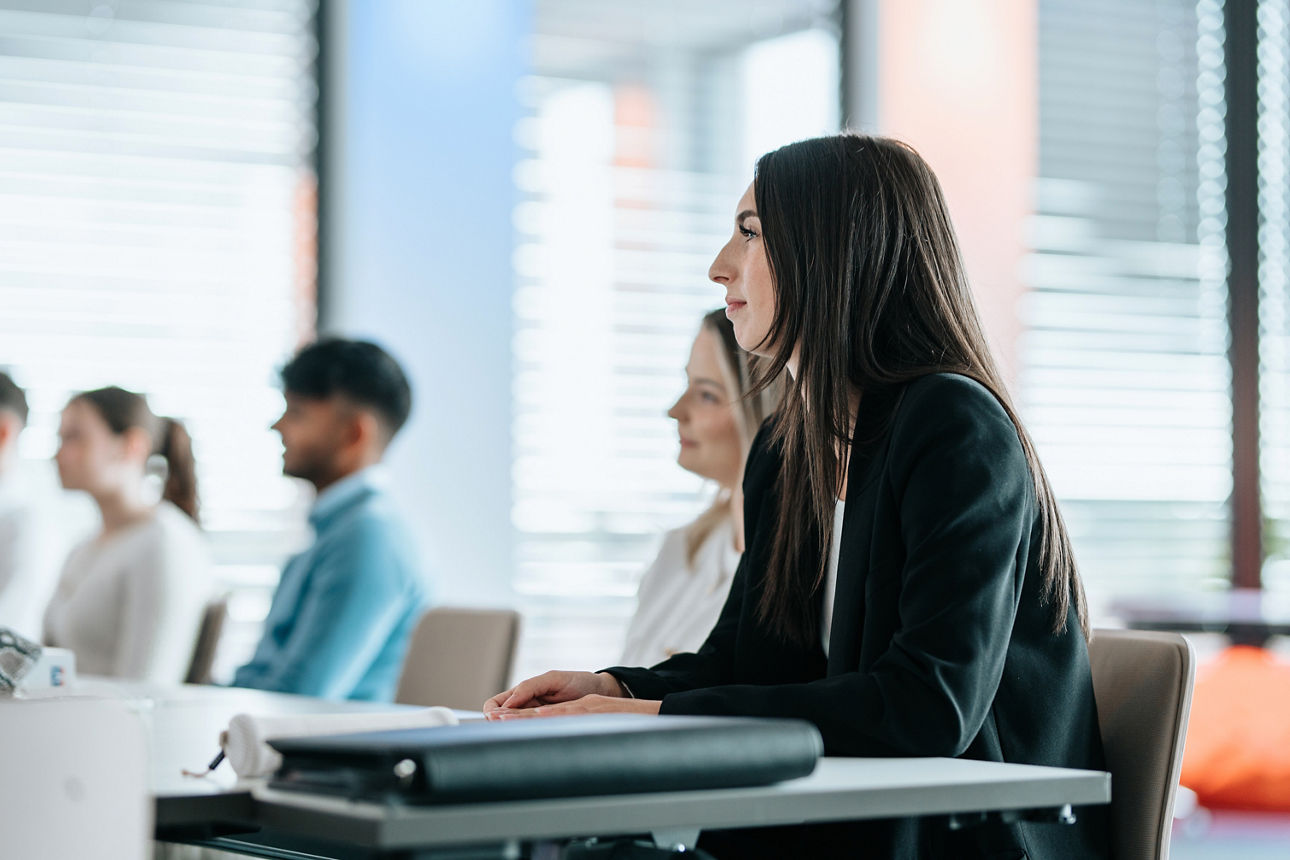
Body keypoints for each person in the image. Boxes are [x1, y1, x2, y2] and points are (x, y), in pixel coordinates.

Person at [484, 134, 1111, 858]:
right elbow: (744, 663)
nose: (719, 267)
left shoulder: (953, 426)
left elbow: (930, 708)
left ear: (834, 249)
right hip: (842, 832)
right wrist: (614, 690)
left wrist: (658, 717)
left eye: (750, 234)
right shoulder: (789, 450)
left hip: (967, 840)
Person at [232, 338, 428, 701]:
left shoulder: (368, 537)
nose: (278, 427)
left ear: (353, 433)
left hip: (322, 752)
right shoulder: (336, 530)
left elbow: (302, 696)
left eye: (297, 414)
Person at [620, 309, 780, 667]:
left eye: (706, 395)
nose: (675, 411)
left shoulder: (794, 574)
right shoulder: (679, 551)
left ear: (769, 409)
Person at [43, 387, 211, 681]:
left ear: (131, 445)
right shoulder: (82, 547)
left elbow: (148, 685)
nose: (58, 454)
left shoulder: (163, 544)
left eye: (74, 437)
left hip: (106, 724)